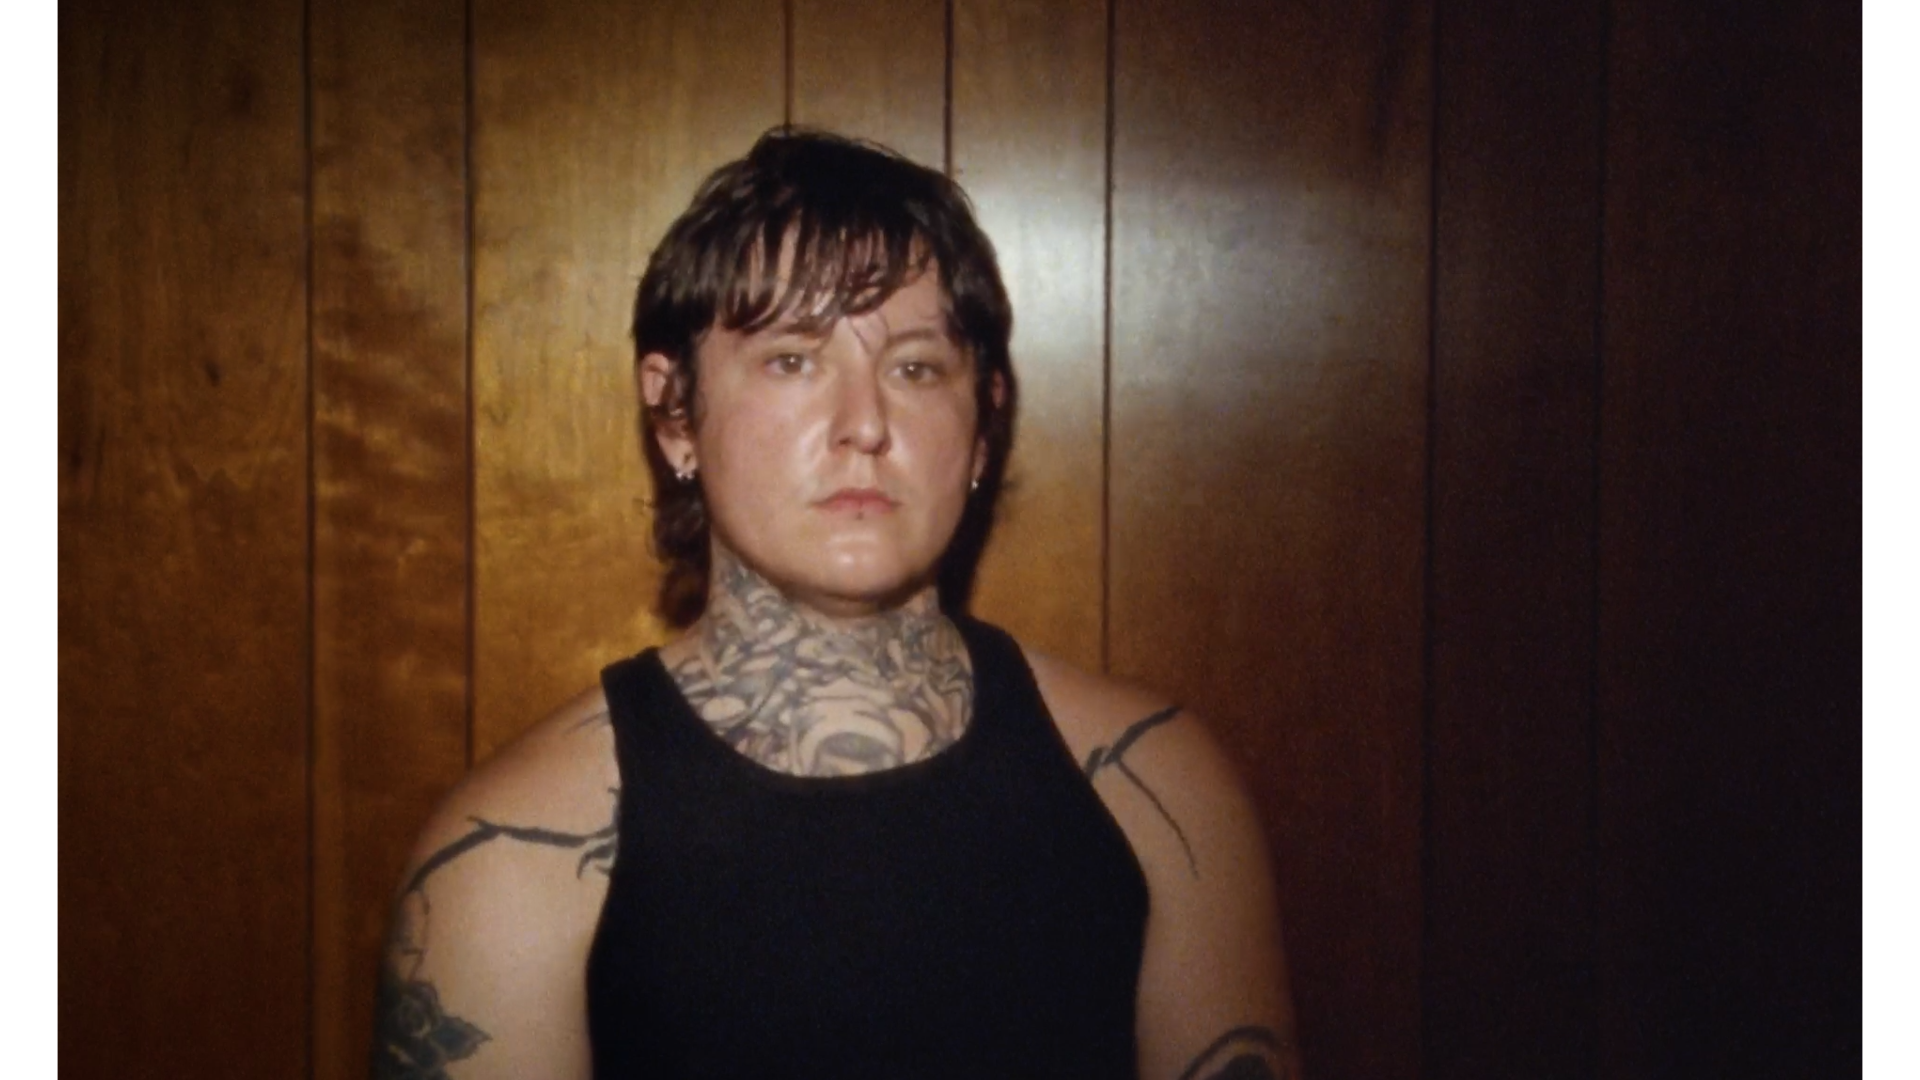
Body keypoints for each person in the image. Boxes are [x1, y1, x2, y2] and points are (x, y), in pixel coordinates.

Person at [373, 128, 1299, 1080]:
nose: (865, 426)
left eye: (915, 368)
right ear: (675, 411)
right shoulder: (511, 854)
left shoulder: (1161, 792)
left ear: (983, 422)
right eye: (792, 359)